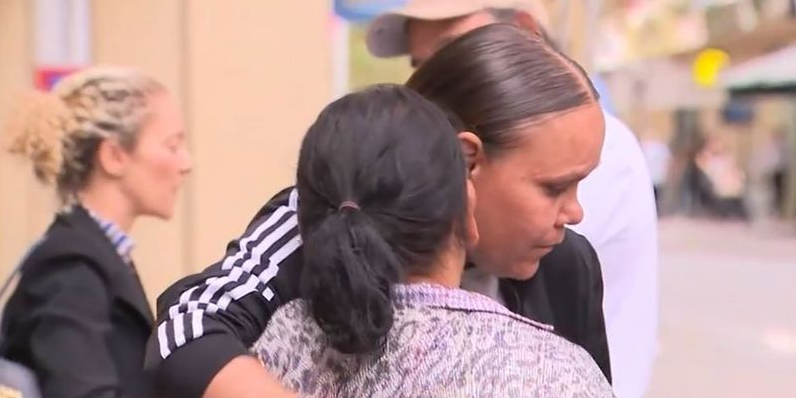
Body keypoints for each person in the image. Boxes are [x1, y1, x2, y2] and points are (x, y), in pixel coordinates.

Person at [147, 14, 610, 398]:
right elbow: (187, 328)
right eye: (554, 188)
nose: (575, 213)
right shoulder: (330, 214)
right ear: (467, 161)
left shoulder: (568, 266)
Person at [365, 1, 659, 397]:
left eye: (460, 44)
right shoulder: (338, 236)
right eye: (423, 62)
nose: (574, 212)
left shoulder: (563, 260)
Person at [253, 78, 612, 396]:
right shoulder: (549, 373)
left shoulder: (262, 355)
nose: (575, 212)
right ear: (466, 204)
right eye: (554, 187)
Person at [0, 66, 192, 398]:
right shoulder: (69, 266)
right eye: (172, 146)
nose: (186, 163)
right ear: (114, 156)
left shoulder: (95, 255)